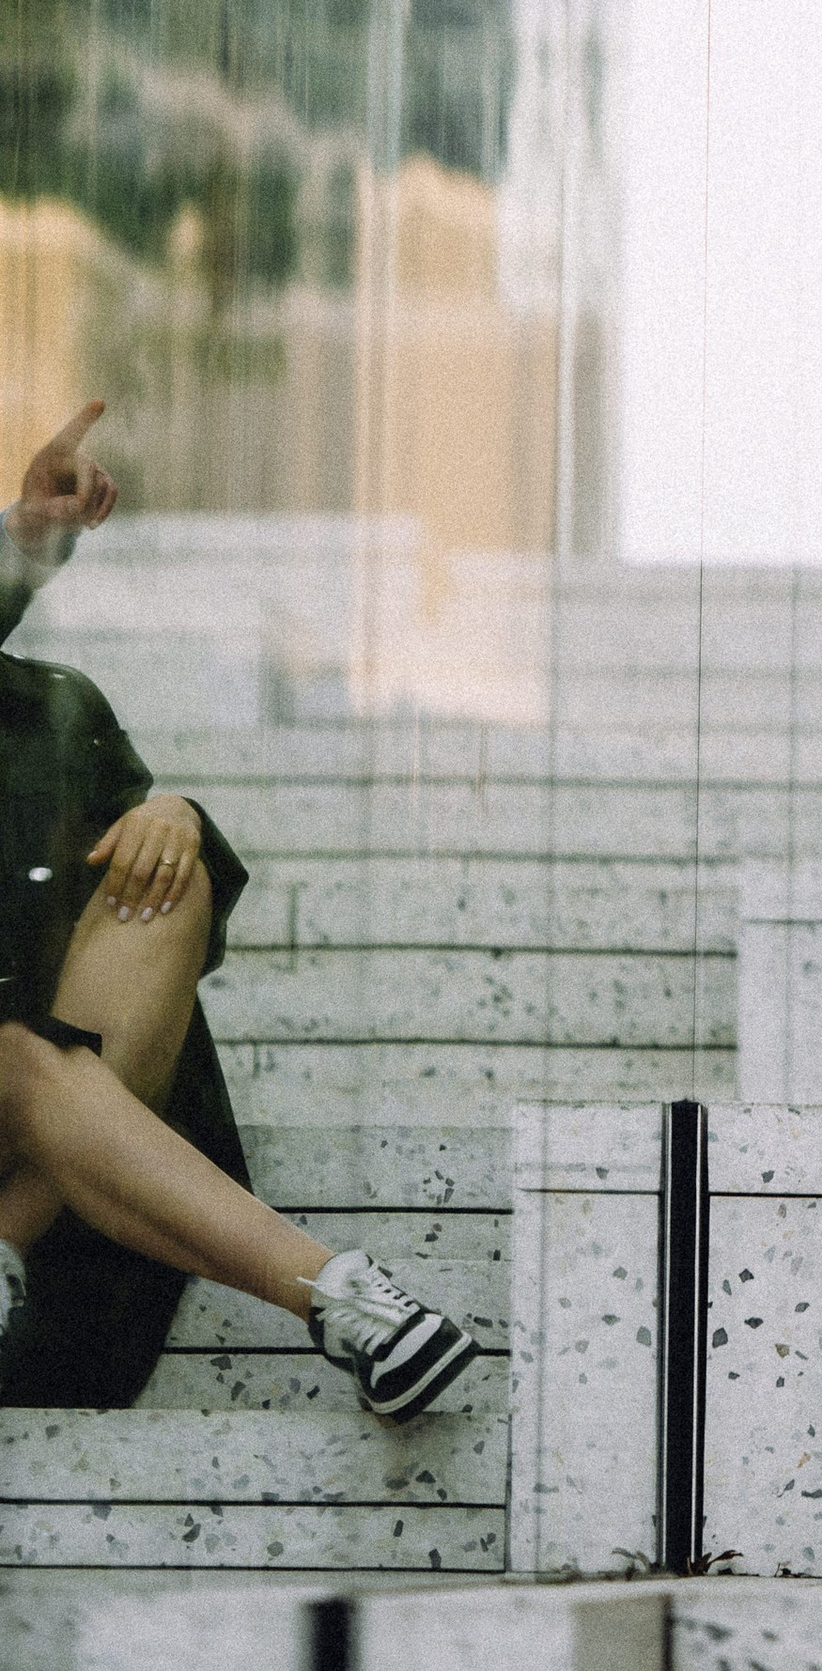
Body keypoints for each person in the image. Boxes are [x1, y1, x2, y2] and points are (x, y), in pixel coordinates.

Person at [0, 402, 480, 1421]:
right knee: (12, 1053)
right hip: (68, 1146)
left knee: (171, 861)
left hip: (69, 1234)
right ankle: (337, 1291)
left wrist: (169, 816)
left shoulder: (51, 712)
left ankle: (6, 1237)